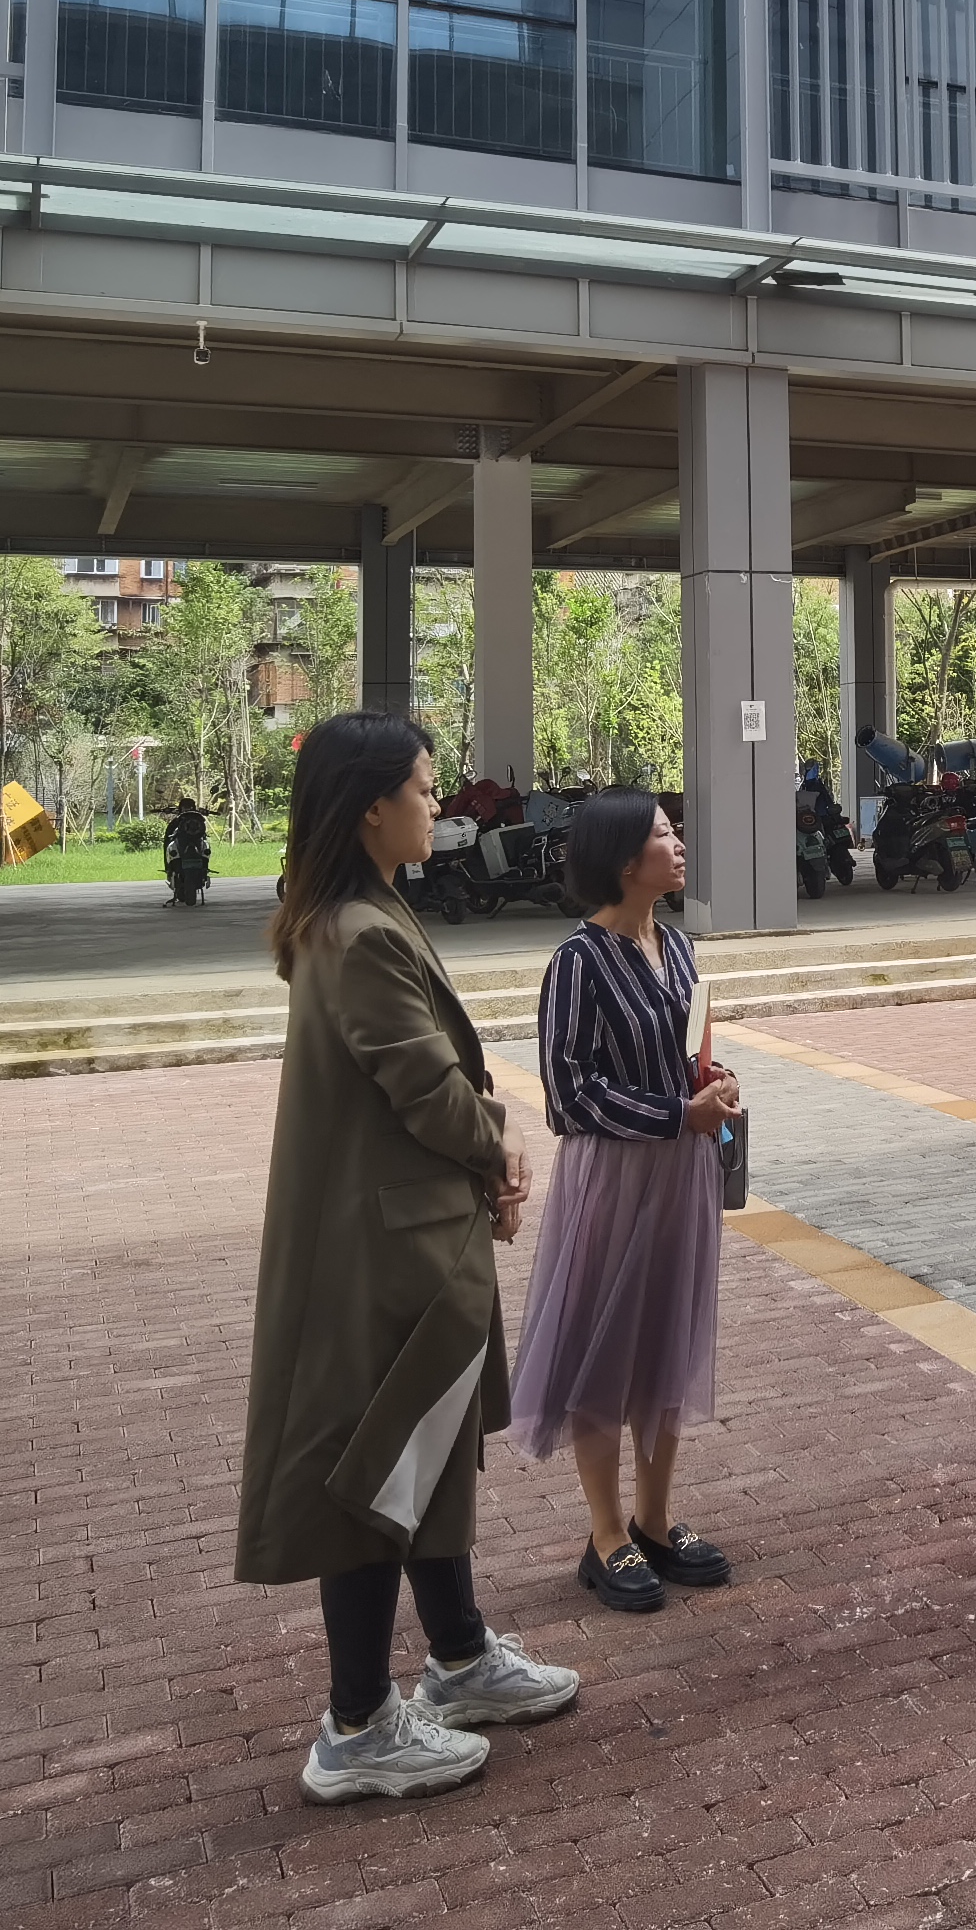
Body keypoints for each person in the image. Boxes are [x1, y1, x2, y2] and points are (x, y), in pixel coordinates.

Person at [235, 714, 577, 1807]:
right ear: (372, 807)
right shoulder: (361, 932)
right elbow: (424, 1088)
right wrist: (499, 1148)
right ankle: (357, 1723)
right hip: (389, 1253)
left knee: (417, 1460)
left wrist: (482, 1158)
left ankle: (461, 1655)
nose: (441, 805)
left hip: (403, 1233)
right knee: (382, 1472)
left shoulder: (352, 916)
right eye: (426, 789)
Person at [510, 788, 741, 1615]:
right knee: (603, 1346)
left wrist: (714, 1082)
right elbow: (568, 1094)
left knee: (665, 1339)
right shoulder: (578, 962)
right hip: (612, 1177)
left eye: (676, 832)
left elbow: (686, 1055)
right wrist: (677, 1114)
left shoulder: (676, 947)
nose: (678, 846)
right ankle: (606, 1533)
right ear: (620, 859)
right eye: (662, 836)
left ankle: (655, 1518)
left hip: (682, 1174)